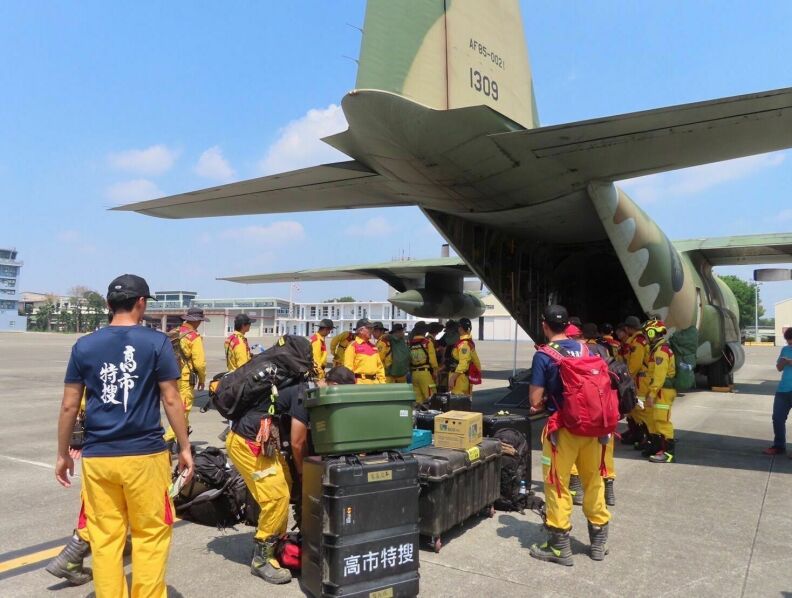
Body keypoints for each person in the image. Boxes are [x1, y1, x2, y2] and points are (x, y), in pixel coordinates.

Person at [55, 274, 193, 597]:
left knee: (105, 539)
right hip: (145, 457)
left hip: (99, 459)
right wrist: (185, 446)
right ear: (141, 303)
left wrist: (62, 454)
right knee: (150, 535)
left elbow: (69, 406)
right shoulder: (156, 342)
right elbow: (171, 398)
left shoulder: (84, 346)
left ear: (108, 304)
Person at [225, 335, 313, 585]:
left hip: (257, 442)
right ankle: (261, 558)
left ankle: (278, 544)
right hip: (249, 443)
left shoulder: (280, 373)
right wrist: (304, 472)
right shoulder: (299, 386)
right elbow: (297, 442)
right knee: (277, 496)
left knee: (282, 487)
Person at [528, 305, 611, 566]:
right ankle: (598, 544)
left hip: (562, 430)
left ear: (545, 325)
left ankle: (559, 547)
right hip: (592, 429)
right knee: (593, 482)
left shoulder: (544, 355)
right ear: (567, 326)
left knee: (557, 484)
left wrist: (539, 404)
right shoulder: (585, 349)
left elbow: (535, 400)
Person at [163, 307, 207, 448]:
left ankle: (183, 441)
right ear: (197, 321)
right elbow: (200, 363)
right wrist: (201, 379)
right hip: (185, 377)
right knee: (183, 409)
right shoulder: (193, 337)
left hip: (170, 375)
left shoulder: (175, 333)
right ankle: (168, 439)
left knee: (178, 406)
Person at [639, 319, 677, 463]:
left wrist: (652, 393)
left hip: (663, 391)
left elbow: (659, 376)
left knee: (662, 421)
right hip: (659, 390)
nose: (646, 336)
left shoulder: (661, 352)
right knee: (653, 419)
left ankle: (668, 453)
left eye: (647, 333)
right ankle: (657, 447)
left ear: (652, 332)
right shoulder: (657, 349)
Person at [622, 315, 650, 448]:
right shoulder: (634, 340)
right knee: (635, 408)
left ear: (628, 328)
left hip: (640, 379)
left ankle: (647, 437)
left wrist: (627, 378)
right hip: (638, 378)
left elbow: (635, 364)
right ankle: (640, 435)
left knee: (640, 408)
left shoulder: (637, 342)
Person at [764, 328, 792, 455]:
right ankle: (779, 446)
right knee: (777, 418)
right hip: (783, 389)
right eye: (788, 342)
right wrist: (782, 362)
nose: (789, 344)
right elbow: (778, 368)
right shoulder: (785, 349)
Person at [344, 318, 386, 384]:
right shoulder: (353, 346)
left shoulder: (373, 347)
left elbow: (379, 367)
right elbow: (348, 369)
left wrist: (382, 382)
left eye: (372, 329)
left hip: (375, 383)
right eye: (369, 328)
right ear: (361, 330)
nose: (372, 331)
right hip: (360, 384)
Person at [449, 318, 481, 396]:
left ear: (460, 328)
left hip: (460, 378)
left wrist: (453, 378)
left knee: (458, 401)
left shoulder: (464, 344)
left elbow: (463, 364)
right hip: (462, 377)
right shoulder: (467, 343)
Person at [409, 321, 438, 402]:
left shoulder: (410, 343)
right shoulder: (427, 342)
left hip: (414, 374)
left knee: (418, 400)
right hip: (425, 374)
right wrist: (435, 371)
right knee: (431, 398)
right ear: (424, 331)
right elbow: (433, 360)